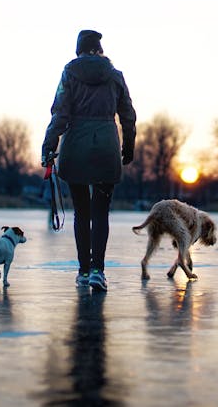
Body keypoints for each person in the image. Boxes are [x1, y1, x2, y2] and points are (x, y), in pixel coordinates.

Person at [42, 30, 136, 291]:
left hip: (76, 148)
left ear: (79, 51)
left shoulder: (70, 75)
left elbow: (59, 113)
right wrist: (128, 147)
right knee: (101, 212)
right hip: (106, 148)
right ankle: (98, 271)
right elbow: (128, 116)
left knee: (81, 212)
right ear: (99, 49)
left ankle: (83, 271)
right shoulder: (115, 76)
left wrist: (49, 145)